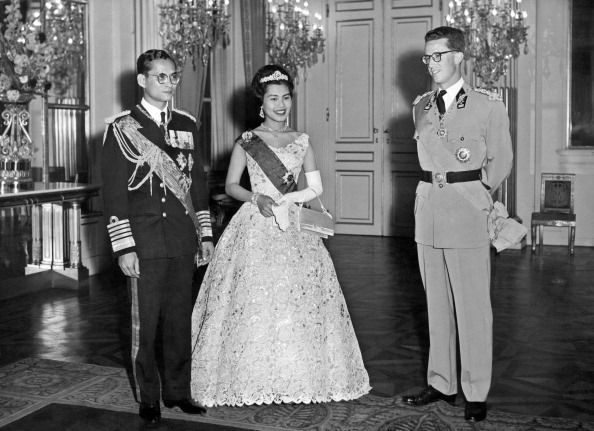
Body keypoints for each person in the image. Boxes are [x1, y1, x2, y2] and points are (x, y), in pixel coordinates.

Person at [189, 64, 371, 407]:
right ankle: (249, 373)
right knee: (251, 296)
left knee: (299, 296)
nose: (281, 105)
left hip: (295, 225)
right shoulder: (246, 141)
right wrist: (255, 197)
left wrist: (294, 198)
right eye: (274, 98)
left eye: (286, 98)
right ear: (262, 103)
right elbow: (230, 185)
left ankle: (298, 374)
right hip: (255, 224)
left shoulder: (302, 140)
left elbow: (314, 185)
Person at [401, 26, 513, 422]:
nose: (431, 64)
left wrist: (473, 194)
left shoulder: (487, 106)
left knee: (472, 308)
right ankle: (441, 382)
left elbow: (501, 162)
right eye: (426, 57)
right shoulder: (421, 107)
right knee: (437, 306)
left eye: (438, 55)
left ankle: (476, 390)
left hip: (466, 214)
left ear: (458, 57)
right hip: (428, 213)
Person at [101, 49, 214, 425]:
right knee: (145, 325)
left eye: (173, 76)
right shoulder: (122, 128)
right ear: (142, 81)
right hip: (144, 241)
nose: (169, 83)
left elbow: (197, 183)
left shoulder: (186, 124)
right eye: (160, 76)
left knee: (180, 321)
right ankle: (148, 397)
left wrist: (206, 234)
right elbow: (115, 193)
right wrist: (124, 247)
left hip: (182, 239)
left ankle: (179, 392)